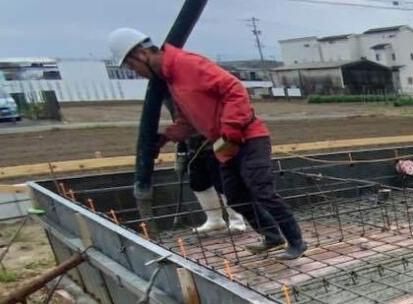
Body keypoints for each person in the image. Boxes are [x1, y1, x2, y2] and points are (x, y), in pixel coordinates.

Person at [108, 28, 306, 259]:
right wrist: (165, 137)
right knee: (235, 196)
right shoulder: (171, 80)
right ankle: (272, 236)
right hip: (223, 143)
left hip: (248, 137)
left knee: (261, 190)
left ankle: (296, 242)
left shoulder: (187, 64)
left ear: (142, 54)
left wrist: (230, 129)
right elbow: (187, 120)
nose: (137, 73)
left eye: (133, 67)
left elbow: (234, 89)